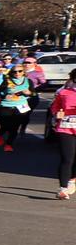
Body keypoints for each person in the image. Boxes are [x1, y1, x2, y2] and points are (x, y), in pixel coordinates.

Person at [0, 68, 34, 151]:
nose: (17, 73)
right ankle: (0, 135)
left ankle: (9, 144)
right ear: (11, 72)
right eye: (15, 71)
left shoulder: (28, 81)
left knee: (15, 127)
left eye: (20, 71)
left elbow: (34, 93)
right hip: (6, 105)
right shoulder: (7, 80)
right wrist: (4, 95)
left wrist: (29, 93)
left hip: (21, 106)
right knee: (5, 125)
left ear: (23, 72)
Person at [52, 70, 76, 199]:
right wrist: (57, 113)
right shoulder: (63, 93)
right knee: (67, 159)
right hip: (66, 129)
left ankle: (72, 179)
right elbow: (55, 107)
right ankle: (62, 189)